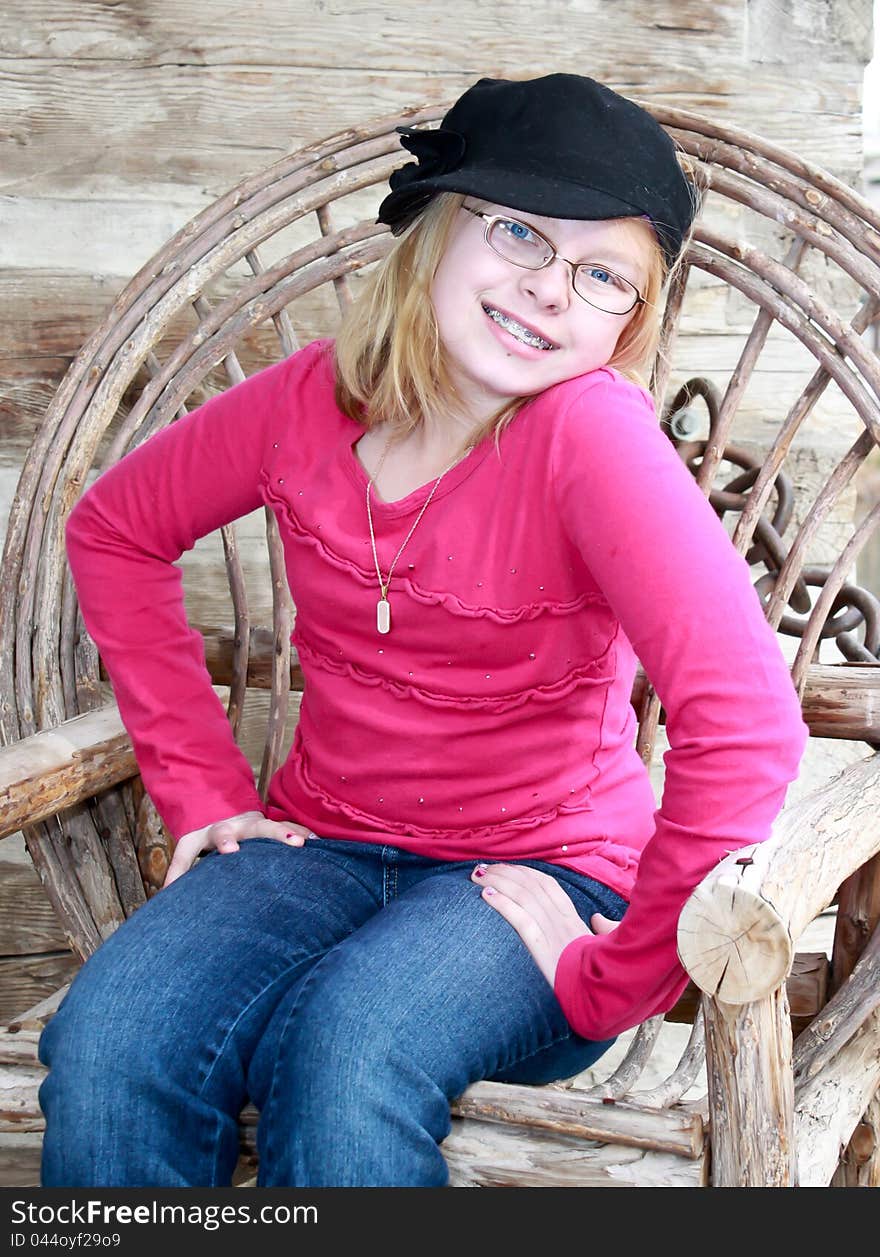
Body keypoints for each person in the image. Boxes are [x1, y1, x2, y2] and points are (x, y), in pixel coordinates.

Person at [37, 73, 809, 1188]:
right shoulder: (309, 400)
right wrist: (201, 788)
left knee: (343, 1055)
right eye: (519, 235)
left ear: (628, 325)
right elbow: (114, 529)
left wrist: (613, 971)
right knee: (113, 1045)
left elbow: (745, 730)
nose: (550, 291)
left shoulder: (590, 440)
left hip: (542, 872)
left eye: (601, 276)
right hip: (321, 845)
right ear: (433, 233)